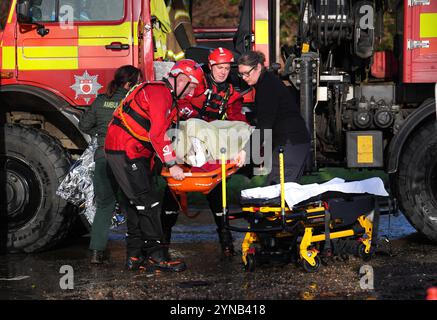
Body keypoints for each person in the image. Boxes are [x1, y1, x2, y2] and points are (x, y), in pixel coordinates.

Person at [104, 59, 203, 272]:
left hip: (123, 149)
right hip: (127, 150)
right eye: (192, 86)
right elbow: (157, 134)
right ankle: (156, 257)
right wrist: (172, 164)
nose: (192, 92)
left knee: (135, 204)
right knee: (149, 203)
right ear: (182, 79)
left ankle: (134, 255)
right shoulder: (160, 93)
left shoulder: (160, 92)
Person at [161, 47, 247, 257]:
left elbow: (238, 121)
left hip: (208, 149)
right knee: (172, 196)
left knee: (218, 195)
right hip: (184, 144)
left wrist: (242, 148)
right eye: (219, 67)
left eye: (227, 68)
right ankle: (161, 246)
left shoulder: (231, 94)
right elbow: (177, 104)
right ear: (210, 66)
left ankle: (226, 244)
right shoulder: (196, 84)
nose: (223, 72)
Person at [78, 65, 142, 264]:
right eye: (138, 82)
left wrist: (101, 131)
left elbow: (83, 125)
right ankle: (137, 252)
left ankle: (97, 252)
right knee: (134, 203)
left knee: (105, 205)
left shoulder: (100, 101)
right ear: (130, 83)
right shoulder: (132, 101)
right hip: (125, 159)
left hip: (102, 158)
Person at [236, 51, 311, 184]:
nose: (244, 77)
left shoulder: (267, 86)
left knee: (278, 192)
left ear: (258, 67)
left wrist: (246, 151)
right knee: (279, 191)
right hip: (290, 142)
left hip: (291, 142)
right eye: (241, 74)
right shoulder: (266, 82)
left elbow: (265, 124)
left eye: (247, 73)